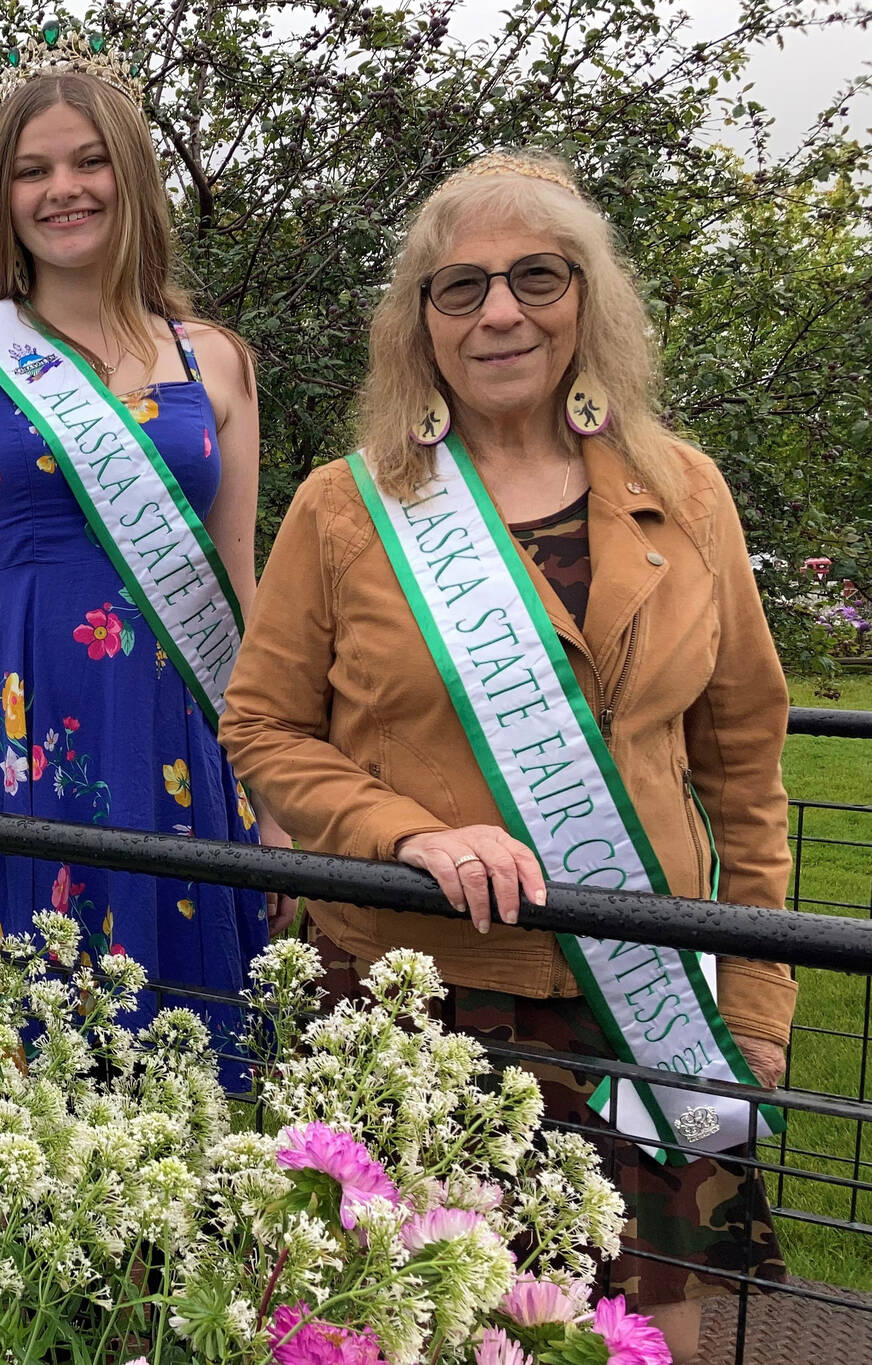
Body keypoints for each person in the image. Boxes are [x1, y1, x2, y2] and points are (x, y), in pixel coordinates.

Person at [219, 149, 797, 1360]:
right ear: (417, 325)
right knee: (398, 1319)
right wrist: (408, 833)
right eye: (458, 286)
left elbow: (743, 765)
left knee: (641, 1331)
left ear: (585, 300)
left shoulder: (682, 492)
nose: (498, 312)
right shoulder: (344, 505)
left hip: (643, 994)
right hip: (411, 991)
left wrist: (753, 997)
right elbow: (262, 730)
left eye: (535, 277)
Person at [0, 28, 276, 1028]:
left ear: (131, 176)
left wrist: (272, 782)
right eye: (32, 170)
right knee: (13, 1033)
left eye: (89, 162)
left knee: (177, 1021)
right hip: (6, 720)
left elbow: (236, 583)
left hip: (175, 720)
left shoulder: (214, 360)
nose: (63, 190)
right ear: (5, 198)